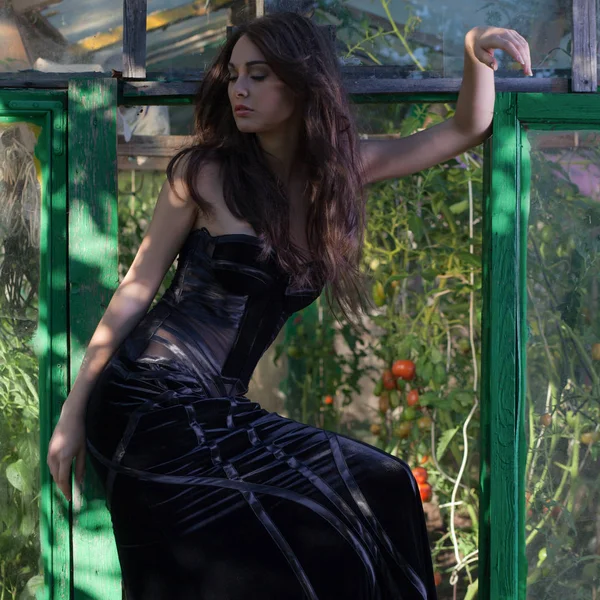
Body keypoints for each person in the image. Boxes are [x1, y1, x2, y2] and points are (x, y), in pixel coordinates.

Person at [47, 12, 531, 600]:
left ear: (301, 85)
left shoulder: (344, 172)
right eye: (232, 76)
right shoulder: (203, 173)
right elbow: (135, 290)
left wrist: (473, 48)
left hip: (216, 410)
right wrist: (73, 414)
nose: (239, 90)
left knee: (380, 490)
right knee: (360, 493)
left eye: (259, 75)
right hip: (147, 402)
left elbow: (466, 127)